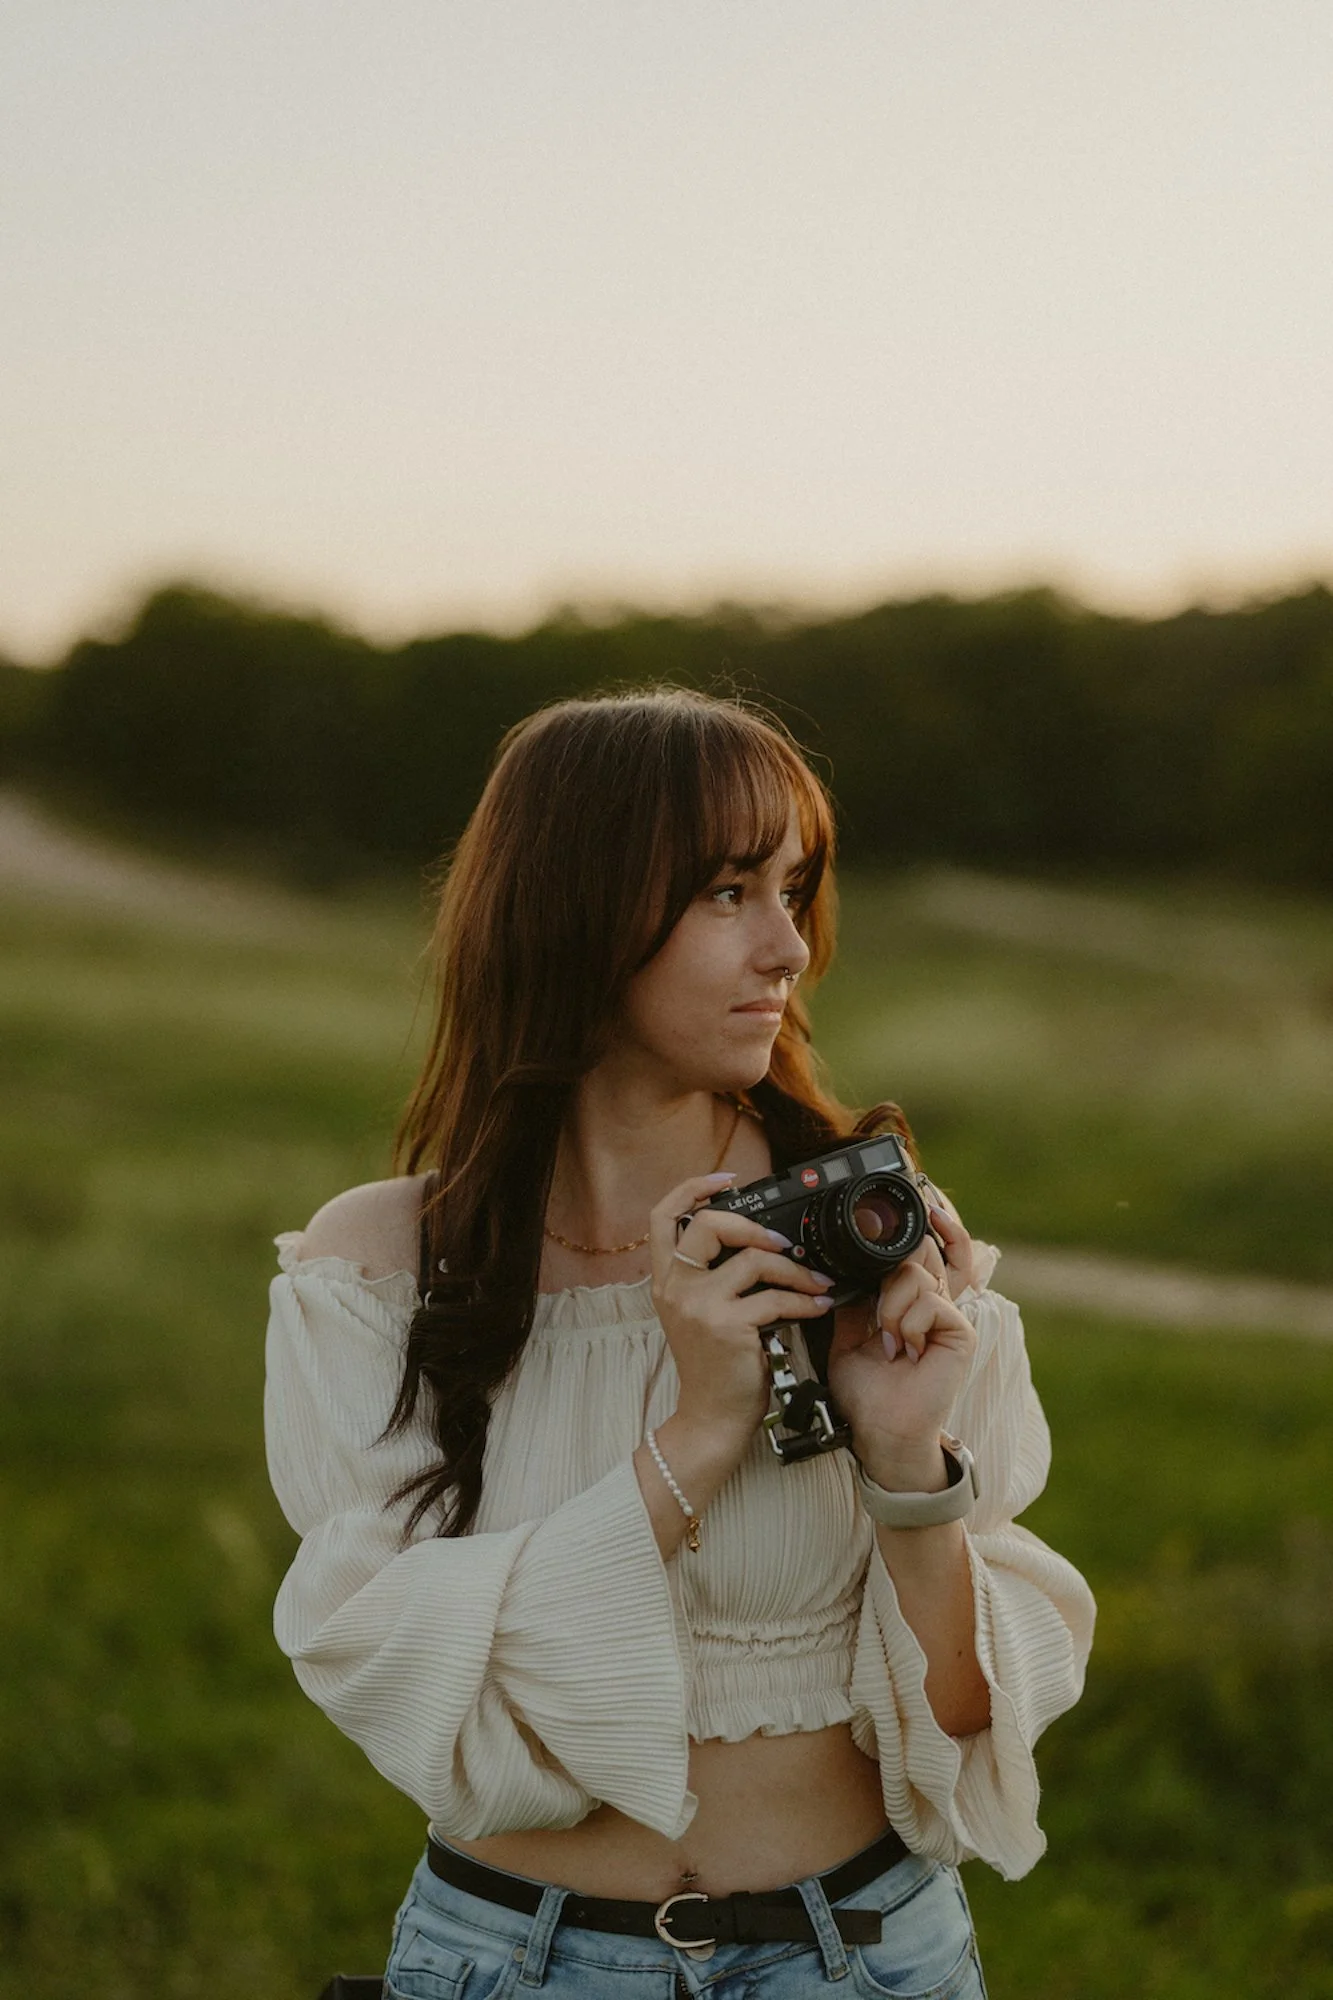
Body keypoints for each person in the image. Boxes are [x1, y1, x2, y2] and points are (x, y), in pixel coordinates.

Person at [264, 689, 1095, 1998]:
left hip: (858, 1957)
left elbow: (968, 1717)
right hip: (512, 1962)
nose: (789, 949)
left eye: (795, 885)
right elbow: (394, 1680)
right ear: (576, 912)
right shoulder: (380, 1272)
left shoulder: (866, 1237)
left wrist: (906, 1458)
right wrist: (700, 1433)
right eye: (726, 892)